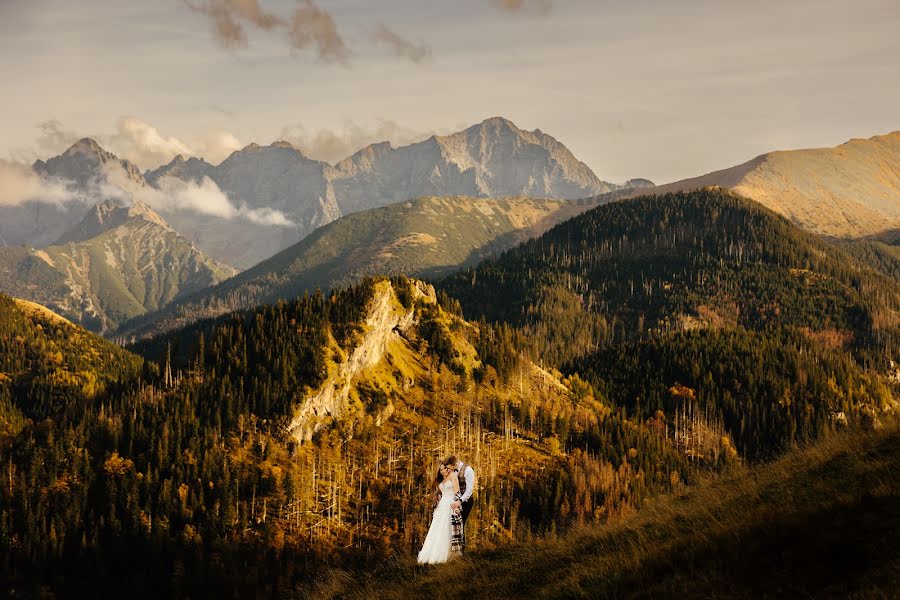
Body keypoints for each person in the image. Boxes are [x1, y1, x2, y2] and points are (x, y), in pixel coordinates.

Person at [417, 461, 463, 564]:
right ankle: (432, 555)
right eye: (441, 470)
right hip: (442, 505)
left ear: (448, 467)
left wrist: (457, 505)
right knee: (436, 529)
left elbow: (457, 491)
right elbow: (440, 495)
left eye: (444, 468)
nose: (443, 471)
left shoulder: (453, 476)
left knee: (446, 528)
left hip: (450, 504)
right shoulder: (441, 480)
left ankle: (447, 554)